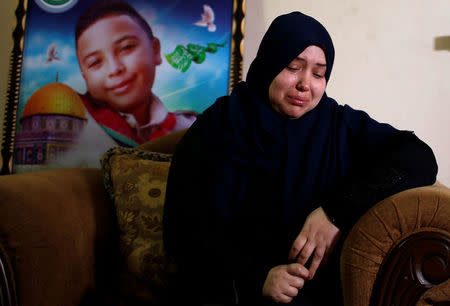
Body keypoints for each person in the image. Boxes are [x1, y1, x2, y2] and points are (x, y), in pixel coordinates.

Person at [162, 11, 438, 305]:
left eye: (318, 73)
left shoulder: (337, 125)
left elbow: (419, 157)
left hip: (315, 295)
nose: (305, 84)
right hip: (229, 291)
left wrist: (335, 211)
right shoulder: (218, 127)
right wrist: (257, 278)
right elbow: (185, 231)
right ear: (269, 64)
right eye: (293, 67)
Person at [52, 0, 196, 168]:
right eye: (95, 62)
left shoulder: (189, 129)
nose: (114, 69)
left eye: (126, 48)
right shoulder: (68, 134)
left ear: (155, 50)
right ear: (85, 76)